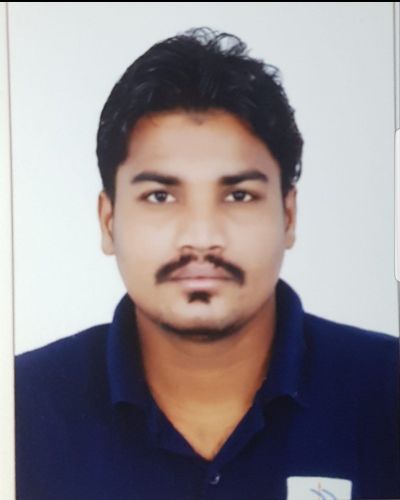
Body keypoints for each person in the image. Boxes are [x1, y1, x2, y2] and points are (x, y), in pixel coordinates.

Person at [15, 27, 399, 500]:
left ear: (288, 215)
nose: (201, 237)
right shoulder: (19, 407)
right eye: (160, 196)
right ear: (108, 221)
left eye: (239, 195)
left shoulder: (387, 391)